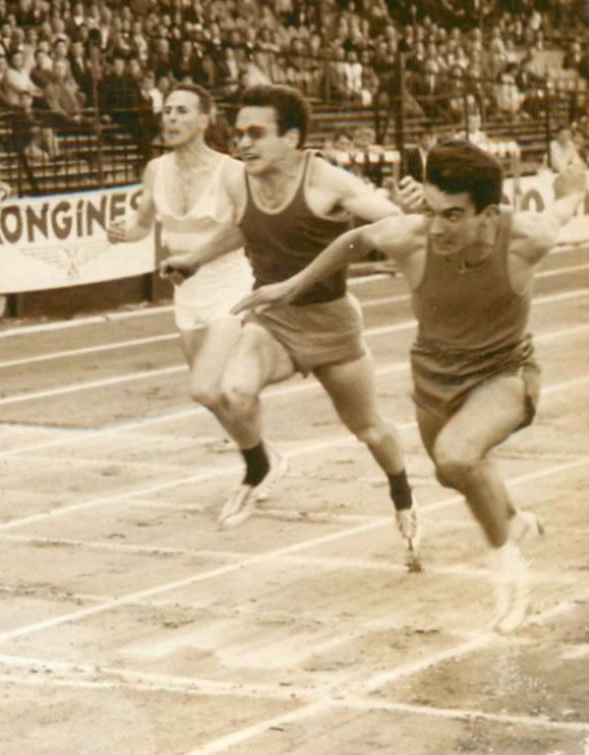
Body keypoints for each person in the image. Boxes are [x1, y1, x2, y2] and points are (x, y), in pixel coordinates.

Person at [234, 142, 587, 633]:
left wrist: (572, 182)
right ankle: (515, 520)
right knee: (454, 471)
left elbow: (564, 207)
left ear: (486, 215)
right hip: (436, 376)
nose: (437, 226)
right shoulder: (412, 237)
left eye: (453, 215)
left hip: (505, 371)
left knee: (459, 456)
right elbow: (353, 241)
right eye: (429, 210)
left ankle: (513, 577)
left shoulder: (527, 239)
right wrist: (293, 286)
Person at [163, 84, 420, 553]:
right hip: (274, 322)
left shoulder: (327, 181)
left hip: (332, 324)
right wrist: (195, 258)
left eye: (257, 133)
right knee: (233, 392)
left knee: (368, 429)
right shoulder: (239, 180)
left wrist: (410, 205)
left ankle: (402, 494)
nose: (243, 143)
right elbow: (242, 226)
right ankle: (258, 466)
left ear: (293, 138)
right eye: (239, 133)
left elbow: (387, 220)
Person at [108, 83, 255, 443]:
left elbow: (248, 229)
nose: (171, 118)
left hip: (230, 285)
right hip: (188, 292)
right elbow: (143, 223)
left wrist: (195, 258)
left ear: (205, 120)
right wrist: (122, 230)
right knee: (211, 394)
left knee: (208, 387)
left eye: (182, 111)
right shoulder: (155, 170)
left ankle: (257, 464)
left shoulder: (231, 172)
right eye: (168, 110)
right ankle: (261, 457)